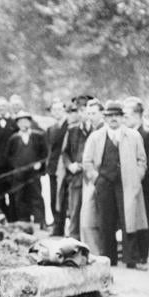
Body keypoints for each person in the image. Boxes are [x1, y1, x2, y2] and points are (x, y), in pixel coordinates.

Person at [83, 100, 148, 268]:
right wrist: (96, 179)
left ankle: (130, 259)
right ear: (105, 118)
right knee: (106, 221)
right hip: (104, 183)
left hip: (127, 184)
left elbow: (142, 160)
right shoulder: (96, 137)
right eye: (110, 116)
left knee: (129, 220)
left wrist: (137, 177)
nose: (113, 119)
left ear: (122, 118)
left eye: (117, 115)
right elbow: (87, 162)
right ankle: (108, 258)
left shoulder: (133, 136)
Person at [123, 96, 149, 264]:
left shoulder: (147, 133)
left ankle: (143, 253)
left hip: (144, 184)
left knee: (144, 217)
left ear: (136, 115)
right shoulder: (126, 133)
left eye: (126, 115)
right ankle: (133, 251)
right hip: (129, 184)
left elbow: (147, 160)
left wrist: (139, 178)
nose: (123, 119)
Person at [5, 111, 48, 226]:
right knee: (20, 198)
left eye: (26, 121)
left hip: (33, 174)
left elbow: (44, 153)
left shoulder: (37, 136)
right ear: (17, 124)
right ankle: (24, 224)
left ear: (30, 122)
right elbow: (9, 156)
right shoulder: (14, 138)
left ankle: (40, 223)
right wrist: (16, 167)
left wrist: (39, 164)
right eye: (21, 121)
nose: (24, 124)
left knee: (36, 197)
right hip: (19, 175)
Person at [61, 102, 93, 240]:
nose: (83, 113)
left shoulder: (98, 130)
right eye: (80, 111)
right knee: (74, 210)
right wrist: (70, 165)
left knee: (91, 211)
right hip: (76, 177)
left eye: (86, 110)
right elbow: (65, 153)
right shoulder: (72, 130)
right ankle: (74, 242)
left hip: (91, 176)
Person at [0, 96, 19, 221]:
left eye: (4, 106)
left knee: (12, 192)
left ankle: (13, 219)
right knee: (0, 194)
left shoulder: (14, 124)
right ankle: (3, 218)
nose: (1, 109)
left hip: (11, 165)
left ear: (7, 108)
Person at [80, 99, 104, 251]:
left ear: (101, 113)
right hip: (90, 178)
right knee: (89, 216)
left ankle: (96, 250)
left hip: (98, 178)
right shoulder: (90, 129)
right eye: (88, 113)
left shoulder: (102, 130)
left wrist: (96, 178)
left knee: (90, 218)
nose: (90, 116)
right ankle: (93, 248)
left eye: (94, 113)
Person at [45, 100, 69, 235]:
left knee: (64, 198)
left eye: (59, 109)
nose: (57, 112)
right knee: (53, 198)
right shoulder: (51, 129)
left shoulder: (69, 126)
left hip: (65, 166)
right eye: (54, 110)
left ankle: (63, 226)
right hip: (53, 167)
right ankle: (57, 226)